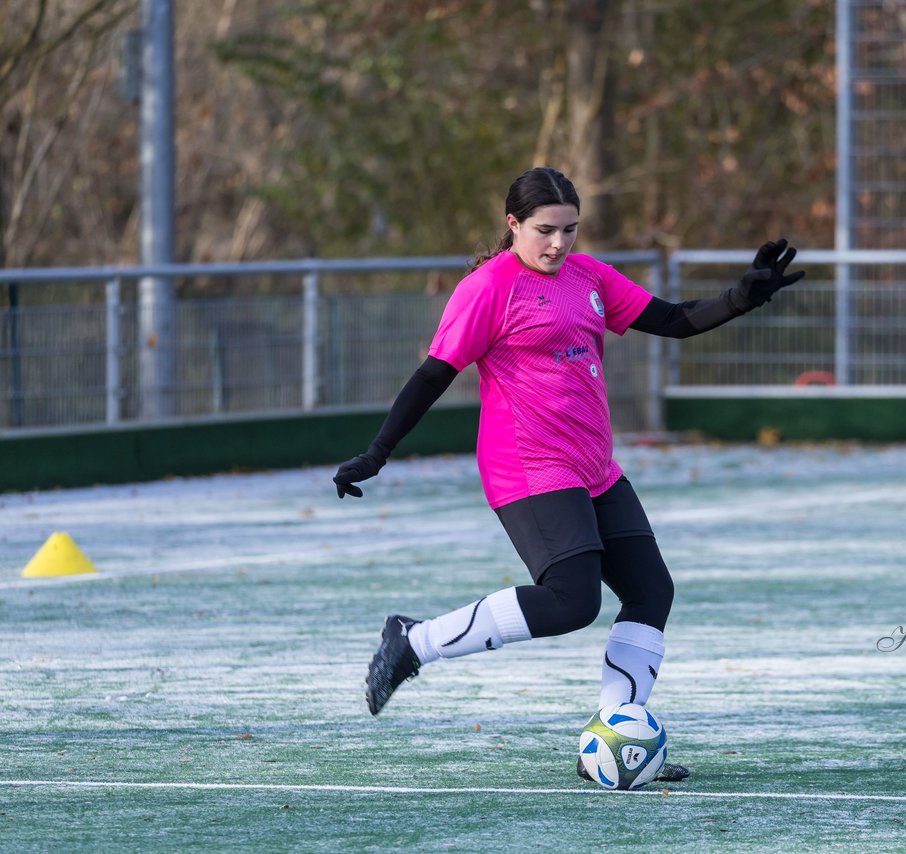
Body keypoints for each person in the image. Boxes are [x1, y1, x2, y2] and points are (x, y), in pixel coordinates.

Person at [333, 166, 804, 783]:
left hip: (594, 466)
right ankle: (413, 642)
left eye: (570, 231)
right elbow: (432, 376)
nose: (558, 244)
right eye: (544, 230)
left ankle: (617, 738)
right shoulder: (488, 287)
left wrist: (742, 296)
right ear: (512, 225)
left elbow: (675, 320)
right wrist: (377, 451)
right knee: (572, 600)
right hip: (529, 466)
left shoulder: (588, 276)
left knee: (650, 592)